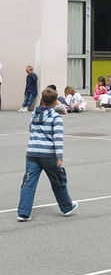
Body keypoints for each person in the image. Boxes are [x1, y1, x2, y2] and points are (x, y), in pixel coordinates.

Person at [16, 87, 78, 221]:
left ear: (42, 100)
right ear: (56, 101)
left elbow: (31, 129)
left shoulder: (34, 114)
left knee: (28, 182)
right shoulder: (56, 118)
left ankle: (23, 213)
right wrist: (59, 157)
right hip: (49, 154)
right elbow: (58, 139)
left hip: (32, 152)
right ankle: (66, 207)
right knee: (58, 180)